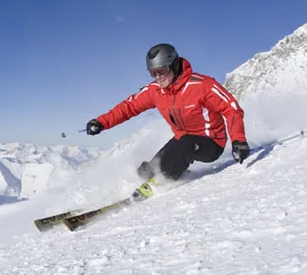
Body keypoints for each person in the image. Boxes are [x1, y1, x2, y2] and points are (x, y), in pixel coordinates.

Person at [86, 43, 250, 181]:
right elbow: (128, 107)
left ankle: (162, 181)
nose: (157, 77)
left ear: (174, 65)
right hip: (182, 140)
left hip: (211, 143)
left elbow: (231, 109)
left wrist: (238, 140)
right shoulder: (156, 91)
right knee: (151, 169)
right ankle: (153, 176)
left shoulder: (202, 85)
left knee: (181, 149)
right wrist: (101, 122)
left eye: (161, 71)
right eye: (153, 73)